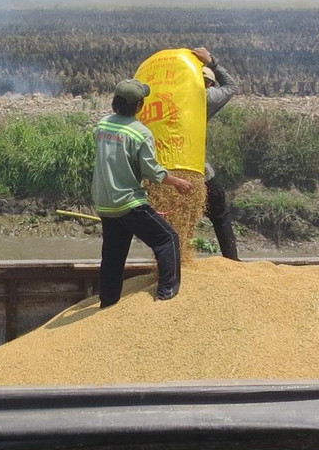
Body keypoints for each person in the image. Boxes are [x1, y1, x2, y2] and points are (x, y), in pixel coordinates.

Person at [94, 78, 194, 307]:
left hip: (105, 202)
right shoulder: (140, 133)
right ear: (139, 106)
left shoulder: (102, 126)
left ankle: (107, 302)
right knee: (167, 238)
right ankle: (166, 292)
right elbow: (151, 171)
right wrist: (177, 182)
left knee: (113, 256)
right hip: (129, 202)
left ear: (114, 103)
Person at [189, 46, 240, 260]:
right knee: (220, 215)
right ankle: (232, 260)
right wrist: (212, 62)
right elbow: (231, 86)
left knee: (177, 218)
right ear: (209, 84)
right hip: (197, 169)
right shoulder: (205, 98)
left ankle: (178, 262)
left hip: (167, 172)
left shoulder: (169, 97)